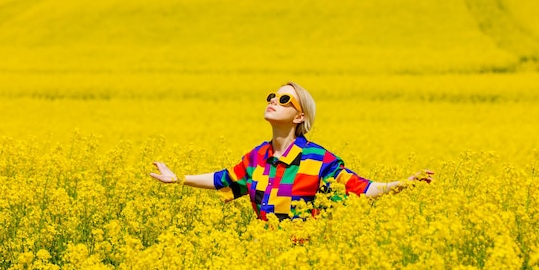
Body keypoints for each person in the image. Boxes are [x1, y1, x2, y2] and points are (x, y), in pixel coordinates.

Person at [151, 82, 433, 221]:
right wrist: (178, 179)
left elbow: (362, 188)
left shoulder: (318, 159)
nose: (274, 100)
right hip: (264, 257)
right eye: (272, 96)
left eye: (285, 99)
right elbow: (224, 180)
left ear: (300, 117)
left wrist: (402, 185)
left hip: (305, 262)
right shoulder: (258, 157)